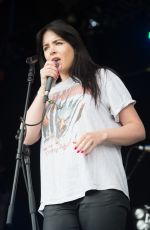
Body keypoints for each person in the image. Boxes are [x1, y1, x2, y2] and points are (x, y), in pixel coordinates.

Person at [23, 19, 146, 230]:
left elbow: (137, 129)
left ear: (74, 46)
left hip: (101, 187)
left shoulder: (102, 77)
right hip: (56, 196)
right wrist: (43, 88)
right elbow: (28, 137)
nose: (51, 50)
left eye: (58, 43)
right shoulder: (47, 94)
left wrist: (102, 135)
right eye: (46, 47)